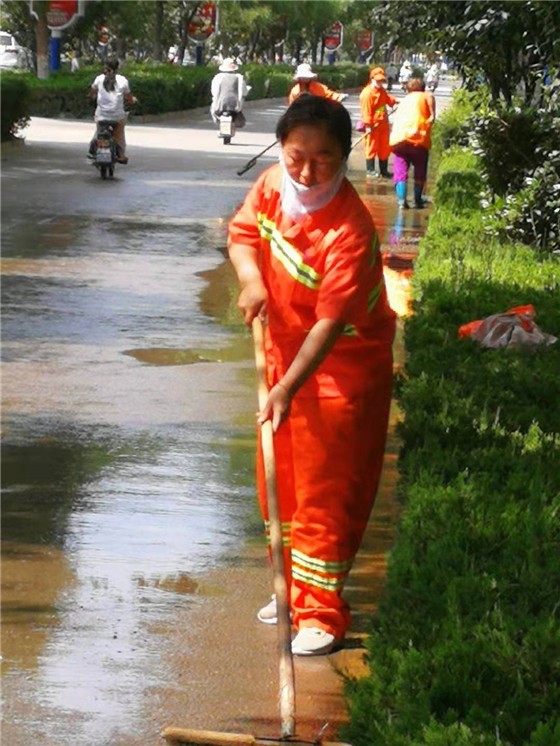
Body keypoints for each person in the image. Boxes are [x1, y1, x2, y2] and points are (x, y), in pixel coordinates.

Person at [227, 95, 396, 656]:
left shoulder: (350, 229)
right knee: (278, 484)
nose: (305, 171)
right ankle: (290, 593)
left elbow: (329, 322)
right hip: (283, 357)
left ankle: (321, 612)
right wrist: (252, 280)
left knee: (324, 492)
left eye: (322, 159)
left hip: (340, 373)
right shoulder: (272, 185)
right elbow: (243, 236)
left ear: (345, 156)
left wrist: (287, 388)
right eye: (296, 156)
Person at [389, 77, 436, 209]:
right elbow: (432, 113)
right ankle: (417, 199)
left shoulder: (405, 100)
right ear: (423, 88)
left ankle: (401, 201)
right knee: (420, 169)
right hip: (418, 138)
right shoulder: (425, 96)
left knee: (400, 170)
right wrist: (432, 116)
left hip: (399, 139)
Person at [89, 58, 134, 163]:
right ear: (118, 67)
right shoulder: (123, 80)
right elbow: (129, 98)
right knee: (119, 135)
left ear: (105, 67)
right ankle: (121, 155)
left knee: (99, 132)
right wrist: (132, 102)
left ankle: (93, 149)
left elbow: (92, 92)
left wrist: (93, 98)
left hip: (101, 115)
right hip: (117, 116)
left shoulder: (99, 79)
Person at [358, 66, 398, 179]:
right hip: (373, 125)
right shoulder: (367, 94)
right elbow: (366, 111)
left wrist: (394, 103)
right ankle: (370, 170)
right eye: (378, 80)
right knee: (371, 146)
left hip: (383, 123)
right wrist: (368, 125)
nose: (380, 83)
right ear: (372, 79)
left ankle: (384, 171)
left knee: (384, 147)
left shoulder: (381, 90)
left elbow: (387, 99)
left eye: (382, 81)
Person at [210, 58, 249, 127]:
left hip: (220, 106)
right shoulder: (239, 77)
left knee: (213, 111)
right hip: (235, 107)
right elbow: (244, 92)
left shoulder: (218, 77)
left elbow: (214, 92)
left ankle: (218, 122)